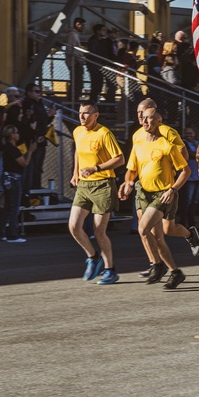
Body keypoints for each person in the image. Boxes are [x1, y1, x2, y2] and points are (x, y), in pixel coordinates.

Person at [119, 106, 190, 290]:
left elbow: (186, 170)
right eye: (143, 118)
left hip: (162, 194)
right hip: (144, 192)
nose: (145, 121)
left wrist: (172, 190)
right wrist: (127, 183)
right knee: (156, 237)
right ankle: (175, 272)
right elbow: (131, 170)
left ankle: (157, 265)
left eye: (150, 118)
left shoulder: (167, 144)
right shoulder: (138, 144)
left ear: (159, 121)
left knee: (143, 229)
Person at [69, 102, 124, 284]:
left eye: (86, 113)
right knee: (74, 226)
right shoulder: (78, 131)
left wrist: (96, 168)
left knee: (99, 231)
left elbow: (120, 159)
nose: (82, 117)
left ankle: (110, 270)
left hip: (103, 185)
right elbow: (78, 151)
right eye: (80, 113)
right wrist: (75, 172)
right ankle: (93, 257)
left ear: (96, 115)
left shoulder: (104, 133)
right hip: (84, 185)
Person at [0, 125, 36, 243]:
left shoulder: (8, 148)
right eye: (16, 133)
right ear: (12, 135)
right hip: (13, 178)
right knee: (14, 207)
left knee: (8, 206)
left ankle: (0, 231)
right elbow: (24, 163)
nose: (18, 135)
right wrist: (30, 151)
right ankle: (12, 234)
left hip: (7, 178)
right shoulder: (12, 149)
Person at [65, 17, 86, 100]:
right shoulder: (72, 34)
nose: (84, 27)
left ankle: (73, 101)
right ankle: (72, 102)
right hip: (75, 63)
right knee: (76, 84)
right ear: (77, 24)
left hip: (76, 62)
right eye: (82, 25)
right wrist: (79, 59)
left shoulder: (75, 34)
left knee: (78, 84)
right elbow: (69, 49)